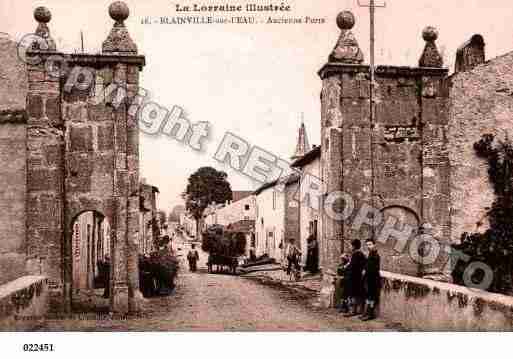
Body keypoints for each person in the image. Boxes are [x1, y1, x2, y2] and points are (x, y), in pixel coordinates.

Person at [344, 239, 366, 317]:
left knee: (353, 294)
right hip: (358, 277)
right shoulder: (361, 254)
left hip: (354, 278)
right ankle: (358, 310)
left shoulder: (356, 254)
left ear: (354, 246)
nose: (349, 247)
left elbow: (352, 267)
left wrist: (346, 266)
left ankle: (353, 311)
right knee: (357, 294)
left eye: (350, 245)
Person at [361, 239, 381, 321]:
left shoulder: (375, 255)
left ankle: (370, 314)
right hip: (369, 278)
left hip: (373, 279)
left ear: (374, 245)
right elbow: (367, 265)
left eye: (370, 244)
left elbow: (373, 268)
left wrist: (366, 270)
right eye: (367, 245)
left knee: (371, 297)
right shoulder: (370, 254)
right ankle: (367, 313)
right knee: (369, 296)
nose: (368, 246)